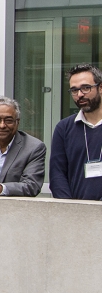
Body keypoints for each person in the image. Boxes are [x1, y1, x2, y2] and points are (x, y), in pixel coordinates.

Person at [50, 63, 102, 200]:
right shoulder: (64, 128)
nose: (80, 95)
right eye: (74, 90)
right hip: (77, 214)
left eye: (86, 88)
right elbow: (57, 174)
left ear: (100, 88)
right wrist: (70, 209)